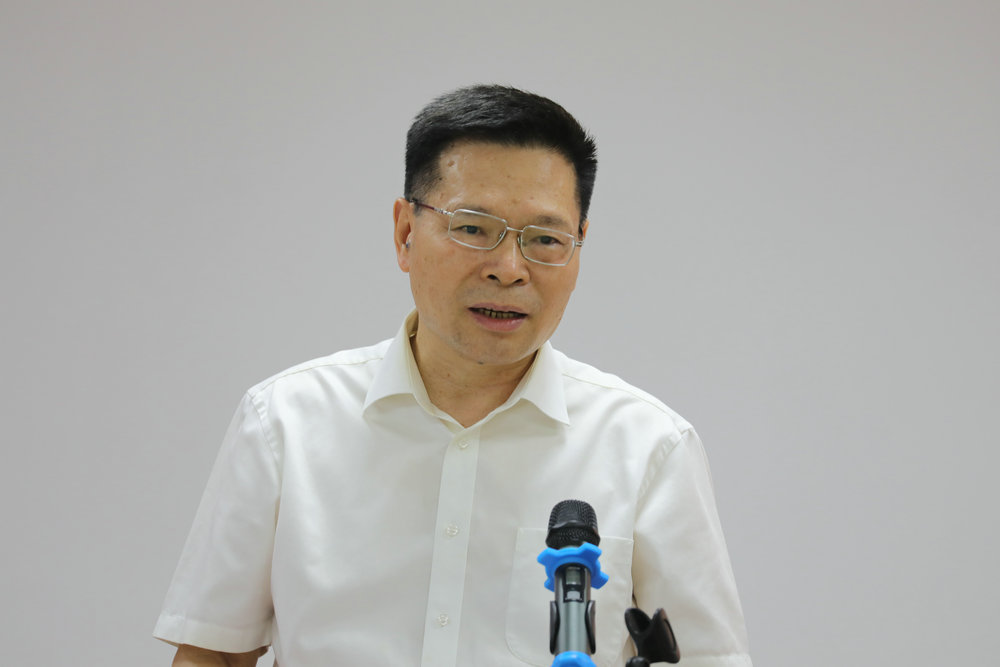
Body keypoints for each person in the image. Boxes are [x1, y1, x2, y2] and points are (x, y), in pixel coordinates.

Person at [154, 84, 752, 667]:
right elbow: (214, 652)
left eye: (546, 239)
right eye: (472, 227)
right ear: (405, 233)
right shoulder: (283, 422)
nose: (509, 269)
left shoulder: (650, 449)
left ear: (579, 247)